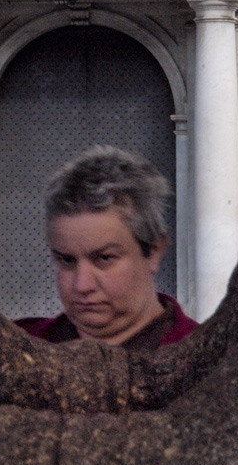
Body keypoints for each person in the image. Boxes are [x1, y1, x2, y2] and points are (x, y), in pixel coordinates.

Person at [16, 147, 197, 350]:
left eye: (104, 258)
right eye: (66, 260)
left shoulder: (215, 364)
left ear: (154, 251)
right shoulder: (8, 349)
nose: (82, 286)